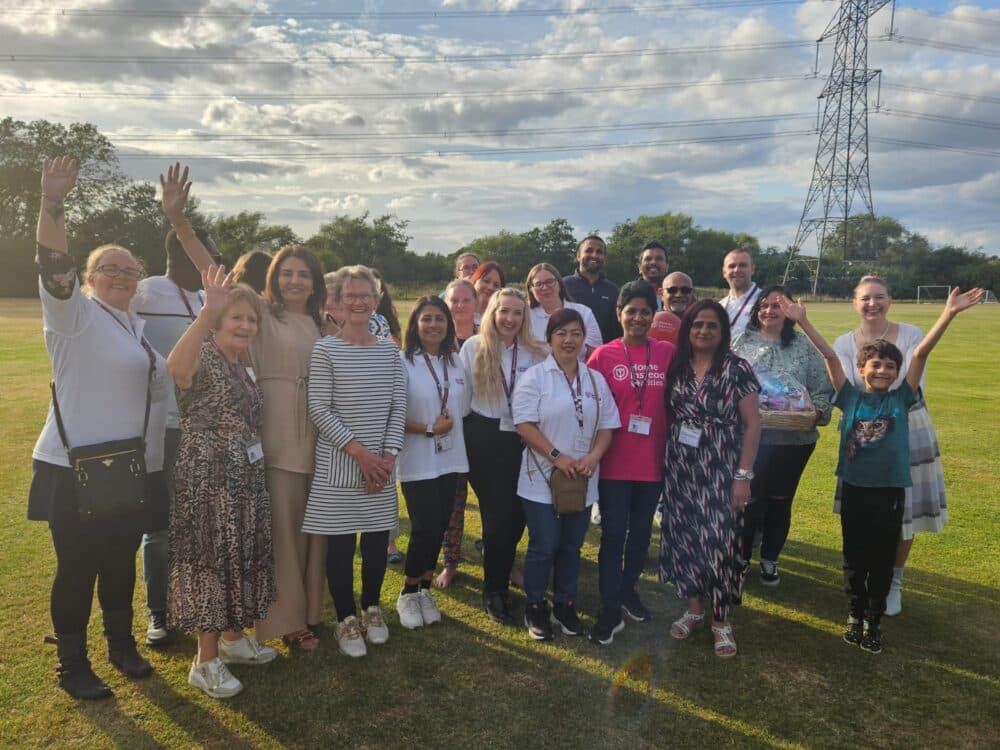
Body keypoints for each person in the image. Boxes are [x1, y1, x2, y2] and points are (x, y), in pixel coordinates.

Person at [161, 164, 325, 651]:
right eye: (287, 273)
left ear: (315, 282)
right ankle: (284, 622)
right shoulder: (262, 312)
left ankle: (309, 611)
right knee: (276, 531)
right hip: (270, 432)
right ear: (275, 279)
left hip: (316, 432)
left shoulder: (322, 324)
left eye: (303, 274)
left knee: (305, 530)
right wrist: (179, 221)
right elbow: (215, 277)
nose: (295, 280)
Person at [28, 156, 167, 699]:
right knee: (77, 568)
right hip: (74, 466)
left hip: (126, 465)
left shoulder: (134, 327)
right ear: (88, 277)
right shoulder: (74, 314)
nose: (121, 276)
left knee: (118, 560)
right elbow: (52, 262)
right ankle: (72, 665)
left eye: (130, 270)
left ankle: (121, 645)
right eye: (109, 268)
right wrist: (52, 201)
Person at [781, 287, 982, 653]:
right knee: (854, 556)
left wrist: (949, 314)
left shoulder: (902, 399)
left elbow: (920, 353)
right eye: (875, 366)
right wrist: (803, 321)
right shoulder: (850, 396)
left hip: (890, 491)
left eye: (890, 367)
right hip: (856, 487)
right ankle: (854, 614)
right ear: (861, 370)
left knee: (881, 556)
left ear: (897, 373)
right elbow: (829, 355)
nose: (882, 371)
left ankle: (873, 620)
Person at [167, 267, 278, 698]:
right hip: (208, 475)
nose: (246, 326)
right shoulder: (204, 351)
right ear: (215, 320)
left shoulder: (240, 362)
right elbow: (175, 369)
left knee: (238, 554)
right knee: (212, 560)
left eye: (251, 320)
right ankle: (205, 660)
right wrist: (204, 315)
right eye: (236, 318)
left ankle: (232, 641)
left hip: (243, 475)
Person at [831, 276, 953, 616]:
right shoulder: (844, 341)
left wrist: (948, 314)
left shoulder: (911, 333)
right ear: (855, 302)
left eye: (879, 297)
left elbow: (912, 377)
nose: (873, 304)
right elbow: (847, 383)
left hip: (909, 427)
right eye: (866, 298)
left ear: (890, 300)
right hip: (862, 434)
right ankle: (865, 582)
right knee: (864, 514)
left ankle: (894, 582)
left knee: (905, 511)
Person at [303, 265, 406, 658]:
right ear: (339, 303)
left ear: (376, 302)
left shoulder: (390, 353)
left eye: (366, 296)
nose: (359, 302)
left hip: (380, 469)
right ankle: (346, 619)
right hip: (341, 466)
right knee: (342, 547)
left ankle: (372, 609)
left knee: (378, 542)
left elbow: (398, 406)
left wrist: (387, 458)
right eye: (352, 296)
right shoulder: (325, 349)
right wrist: (361, 455)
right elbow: (320, 408)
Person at [132, 226, 222, 649]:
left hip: (206, 429)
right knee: (161, 526)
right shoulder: (145, 294)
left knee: (205, 522)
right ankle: (160, 612)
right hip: (161, 429)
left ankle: (197, 604)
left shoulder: (210, 297)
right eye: (207, 254)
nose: (215, 261)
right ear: (180, 254)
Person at [660, 299, 760, 659]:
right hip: (681, 469)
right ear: (687, 329)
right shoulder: (678, 365)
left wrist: (743, 476)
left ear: (723, 331)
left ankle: (721, 621)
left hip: (721, 468)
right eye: (697, 324)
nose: (703, 331)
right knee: (686, 538)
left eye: (712, 326)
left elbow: (752, 426)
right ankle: (694, 609)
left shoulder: (737, 369)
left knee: (719, 543)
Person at [513, 308, 620, 641]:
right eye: (561, 333)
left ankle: (564, 604)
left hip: (582, 479)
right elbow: (524, 424)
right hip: (541, 478)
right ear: (550, 340)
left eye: (575, 333)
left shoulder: (594, 379)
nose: (569, 340)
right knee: (544, 545)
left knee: (571, 546)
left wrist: (593, 456)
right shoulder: (534, 377)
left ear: (583, 338)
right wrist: (557, 457)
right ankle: (534, 606)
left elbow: (607, 425)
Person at [587, 282, 675, 645]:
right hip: (613, 464)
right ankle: (609, 607)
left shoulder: (668, 353)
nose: (638, 318)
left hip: (653, 463)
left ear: (653, 315)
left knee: (640, 536)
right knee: (612, 536)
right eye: (631, 311)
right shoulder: (603, 356)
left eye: (644, 311)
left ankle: (627, 591)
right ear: (620, 314)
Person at [732, 285, 834, 586]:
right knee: (748, 500)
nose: (769, 310)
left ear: (789, 311)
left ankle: (770, 559)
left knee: (780, 500)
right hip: (751, 439)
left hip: (794, 442)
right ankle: (740, 560)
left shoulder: (803, 346)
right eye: (763, 305)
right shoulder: (741, 343)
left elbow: (822, 388)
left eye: (777, 305)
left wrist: (814, 413)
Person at [459, 288, 546, 624]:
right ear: (492, 313)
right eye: (504, 311)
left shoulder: (535, 354)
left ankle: (502, 566)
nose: (510, 319)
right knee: (498, 517)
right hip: (484, 438)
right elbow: (463, 398)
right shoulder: (473, 347)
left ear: (525, 318)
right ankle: (494, 590)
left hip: (523, 439)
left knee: (519, 514)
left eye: (517, 313)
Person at [396, 297, 470, 628]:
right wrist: (429, 429)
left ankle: (425, 588)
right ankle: (408, 592)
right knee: (424, 529)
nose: (434, 325)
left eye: (440, 319)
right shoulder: (402, 362)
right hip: (418, 459)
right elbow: (393, 415)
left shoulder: (456, 363)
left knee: (440, 526)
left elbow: (464, 408)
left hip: (451, 458)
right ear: (415, 324)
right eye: (426, 319)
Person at [435, 279, 478, 588]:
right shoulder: (436, 340)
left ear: (476, 303)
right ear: (446, 303)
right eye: (454, 301)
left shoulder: (488, 337)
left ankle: (498, 556)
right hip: (449, 431)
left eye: (466, 300)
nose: (460, 305)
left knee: (493, 503)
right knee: (453, 502)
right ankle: (450, 563)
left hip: (485, 431)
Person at [525, 262, 603, 360]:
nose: (544, 287)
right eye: (538, 284)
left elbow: (595, 354)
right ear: (530, 289)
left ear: (560, 283)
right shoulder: (525, 316)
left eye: (550, 281)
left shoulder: (584, 313)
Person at [562, 234, 621, 343]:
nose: (594, 255)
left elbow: (617, 330)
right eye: (589, 250)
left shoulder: (613, 290)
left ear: (604, 258)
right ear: (578, 255)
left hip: (603, 354)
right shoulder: (563, 285)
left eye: (599, 252)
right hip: (570, 353)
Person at [718, 249, 761, 338]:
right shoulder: (720, 306)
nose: (737, 270)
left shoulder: (765, 302)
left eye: (742, 265)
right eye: (731, 266)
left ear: (752, 269)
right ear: (724, 272)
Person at [469, 260, 506, 325]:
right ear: (474, 281)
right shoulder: (462, 311)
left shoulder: (501, 320)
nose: (490, 287)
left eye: (496, 285)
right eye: (486, 281)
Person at [638, 242, 669, 309]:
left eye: (659, 259)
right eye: (648, 259)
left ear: (667, 267)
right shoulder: (629, 295)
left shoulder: (678, 294)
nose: (653, 262)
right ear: (639, 267)